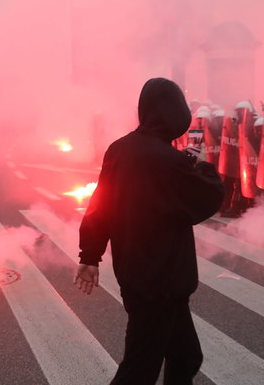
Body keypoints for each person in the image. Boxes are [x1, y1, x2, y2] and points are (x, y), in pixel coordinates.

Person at [74, 78, 224, 384]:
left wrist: (90, 255)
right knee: (140, 368)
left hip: (137, 275)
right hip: (163, 281)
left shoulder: (120, 149)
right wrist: (205, 167)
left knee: (185, 356)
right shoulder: (169, 161)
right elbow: (207, 197)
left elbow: (100, 205)